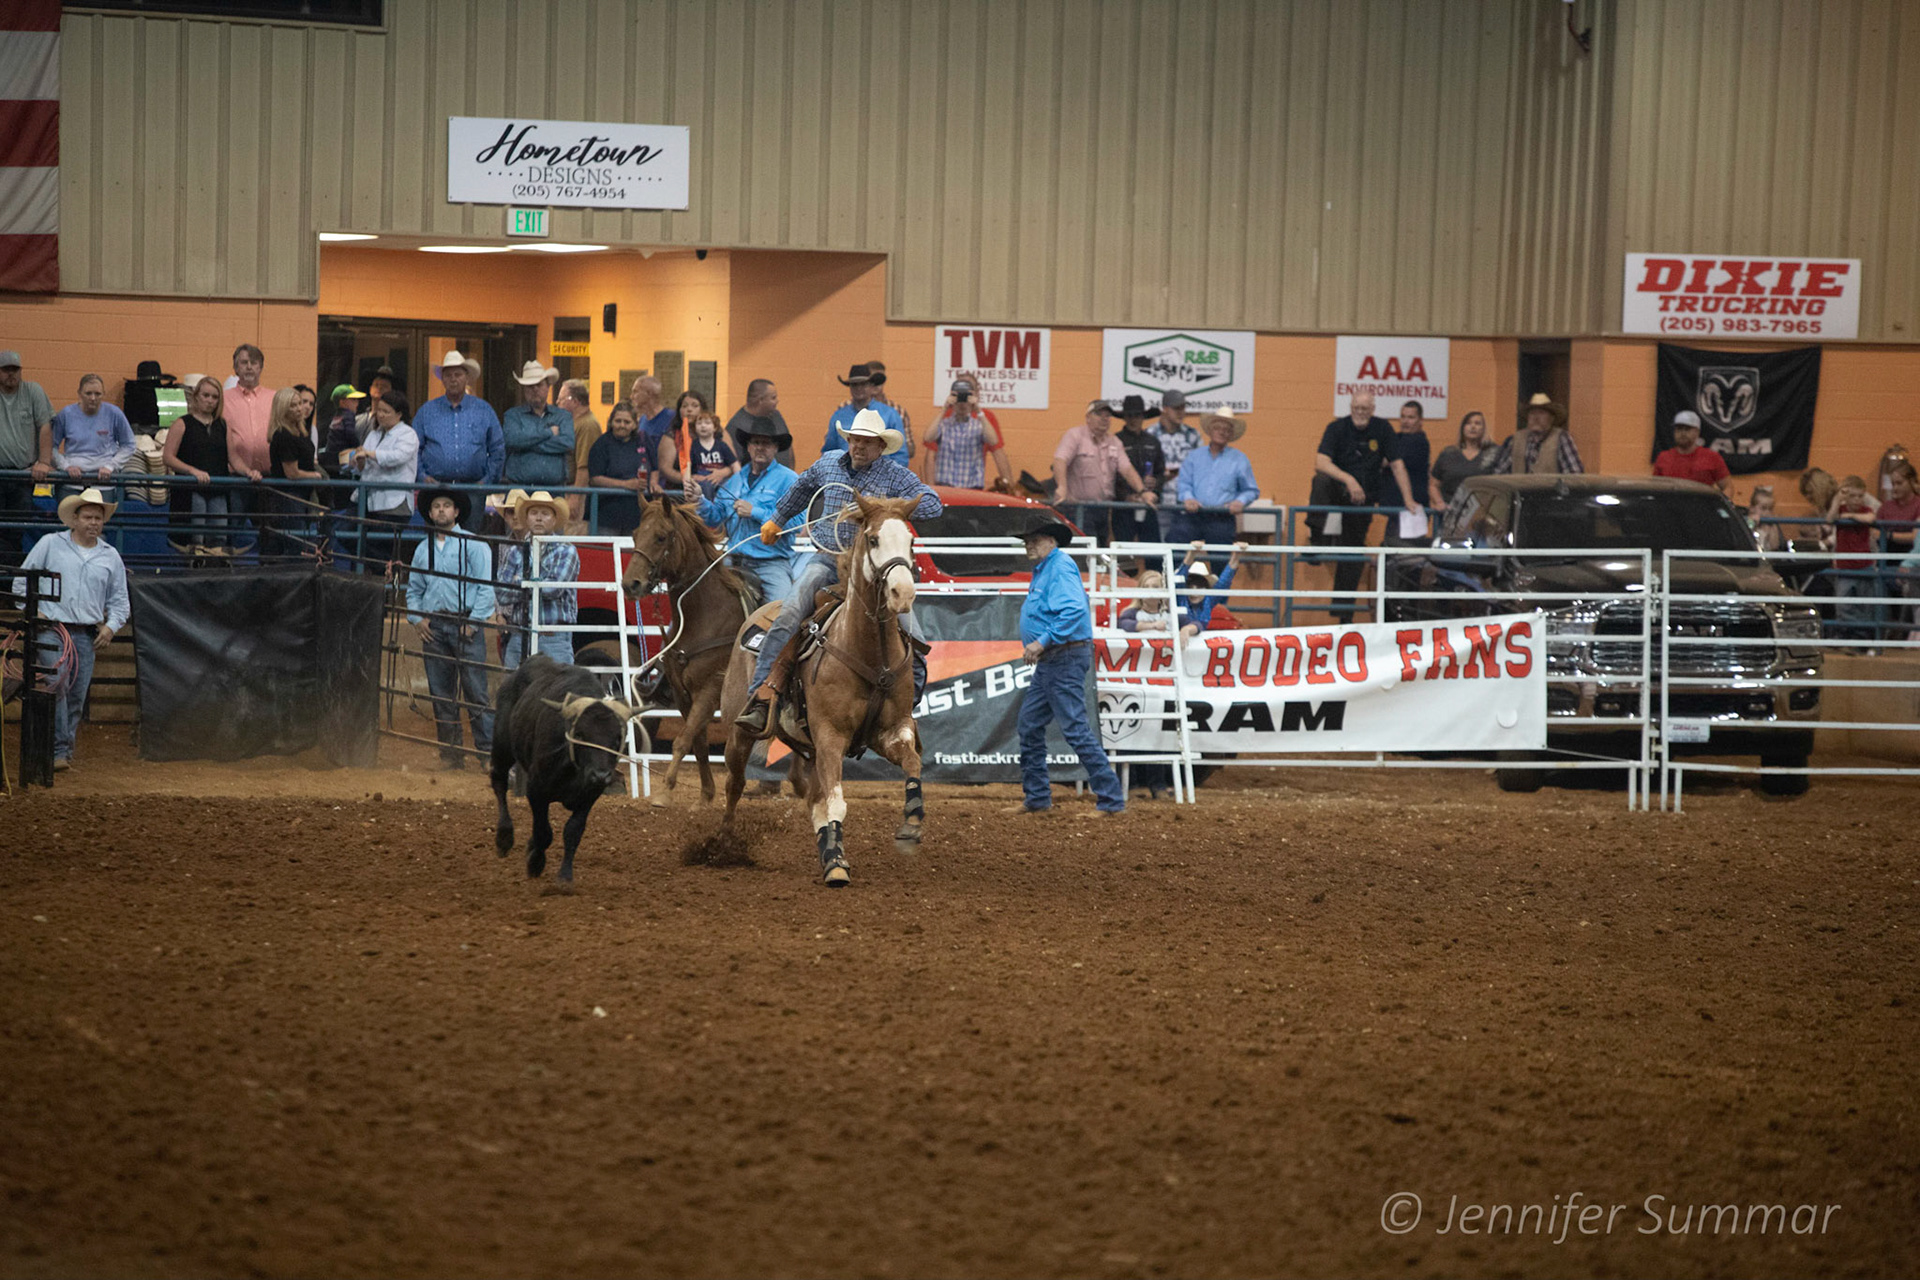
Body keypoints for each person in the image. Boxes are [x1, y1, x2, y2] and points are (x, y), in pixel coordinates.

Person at [735, 408, 942, 734]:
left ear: (880, 447)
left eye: (866, 441)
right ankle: (760, 697)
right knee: (790, 613)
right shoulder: (828, 463)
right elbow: (800, 491)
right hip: (828, 559)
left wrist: (885, 506)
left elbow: (932, 503)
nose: (858, 446)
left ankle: (906, 704)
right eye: (854, 439)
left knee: (913, 634)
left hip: (874, 571)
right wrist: (776, 519)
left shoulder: (894, 475)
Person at [1011, 518, 1126, 816]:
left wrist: (1042, 641)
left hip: (1061, 656)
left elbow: (1074, 610)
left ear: (1051, 541)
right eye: (1027, 539)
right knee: (1031, 724)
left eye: (1034, 539)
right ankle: (1038, 797)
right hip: (1057, 658)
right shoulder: (1051, 567)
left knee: (1072, 728)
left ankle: (1111, 800)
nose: (1028, 544)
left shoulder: (1057, 567)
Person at [10, 487, 130, 772]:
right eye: (88, 517)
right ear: (74, 519)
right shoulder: (50, 544)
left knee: (76, 694)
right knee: (59, 681)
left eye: (98, 518)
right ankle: (59, 750)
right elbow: (21, 582)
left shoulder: (110, 556)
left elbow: (120, 601)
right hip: (51, 628)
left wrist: (111, 627)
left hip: (86, 632)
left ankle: (63, 751)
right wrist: (34, 613)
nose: (93, 523)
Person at [406, 487, 497, 768]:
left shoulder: (474, 545)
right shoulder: (423, 549)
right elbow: (414, 590)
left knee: (476, 692)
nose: (442, 510)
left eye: (447, 505)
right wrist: (416, 618)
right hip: (435, 624)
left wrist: (473, 622)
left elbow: (485, 588)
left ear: (456, 512)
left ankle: (487, 754)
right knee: (441, 694)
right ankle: (452, 755)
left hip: (464, 622)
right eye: (436, 506)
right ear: (431, 513)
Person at [693, 414, 799, 605]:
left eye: (766, 443)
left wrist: (755, 512)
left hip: (770, 564)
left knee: (782, 610)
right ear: (748, 446)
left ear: (775, 448)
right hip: (733, 561)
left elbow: (797, 524)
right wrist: (699, 499)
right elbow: (715, 518)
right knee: (700, 600)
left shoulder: (789, 480)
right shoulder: (734, 480)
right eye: (756, 442)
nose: (760, 447)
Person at [1312, 392, 1395, 623]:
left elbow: (1397, 463)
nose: (1360, 412)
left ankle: (1344, 616)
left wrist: (1407, 500)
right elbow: (1320, 462)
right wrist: (1349, 480)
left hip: (1363, 501)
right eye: (1357, 407)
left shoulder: (1382, 429)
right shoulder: (1337, 428)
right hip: (1337, 496)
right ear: (1350, 407)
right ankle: (1316, 538)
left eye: (1365, 408)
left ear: (1372, 409)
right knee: (1320, 480)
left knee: (1352, 552)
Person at [414, 350, 504, 529]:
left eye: (458, 374)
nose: (453, 379)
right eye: (448, 375)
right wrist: (422, 477)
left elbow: (498, 448)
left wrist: (485, 481)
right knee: (435, 540)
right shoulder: (427, 411)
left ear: (467, 378)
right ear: (442, 379)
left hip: (473, 488)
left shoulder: (484, 410)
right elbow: (414, 448)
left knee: (470, 540)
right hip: (436, 489)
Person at [495, 490, 578, 667]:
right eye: (534, 513)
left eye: (545, 513)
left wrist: (520, 581)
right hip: (520, 636)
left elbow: (553, 589)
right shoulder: (514, 551)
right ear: (527, 519)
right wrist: (538, 582)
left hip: (553, 637)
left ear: (554, 520)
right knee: (515, 692)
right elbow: (501, 593)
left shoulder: (566, 550)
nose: (539, 518)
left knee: (555, 691)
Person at [1052, 400, 1154, 543]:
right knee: (1087, 552)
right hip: (1078, 508)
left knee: (1099, 551)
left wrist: (1143, 492)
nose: (1104, 418)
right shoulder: (1075, 436)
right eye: (1099, 414)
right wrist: (1062, 487)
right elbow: (1060, 460)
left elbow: (1126, 468)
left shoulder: (1114, 441)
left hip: (1103, 510)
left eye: (1107, 415)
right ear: (1088, 417)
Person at [160, 374, 235, 555]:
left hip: (218, 487)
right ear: (196, 397)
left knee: (219, 534)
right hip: (190, 489)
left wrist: (249, 471)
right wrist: (191, 470)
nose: (210, 401)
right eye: (206, 396)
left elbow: (233, 458)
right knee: (195, 536)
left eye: (214, 397)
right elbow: (168, 457)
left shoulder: (223, 426)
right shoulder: (182, 423)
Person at [350, 389, 419, 569]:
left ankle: (384, 584)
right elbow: (362, 467)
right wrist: (360, 460)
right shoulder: (374, 433)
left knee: (381, 547)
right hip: (368, 500)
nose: (380, 415)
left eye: (386, 412)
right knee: (347, 534)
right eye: (379, 410)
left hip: (394, 502)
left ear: (399, 414)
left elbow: (397, 457)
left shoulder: (408, 434)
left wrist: (370, 454)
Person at [0, 350, 55, 569]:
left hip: (22, 474)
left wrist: (44, 461)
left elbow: (44, 425)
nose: (11, 374)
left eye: (15, 369)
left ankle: (9, 583)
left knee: (15, 531)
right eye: (6, 370)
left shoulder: (33, 391)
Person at [1174, 411, 1259, 547]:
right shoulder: (1194, 456)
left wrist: (1239, 502)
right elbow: (1184, 483)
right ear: (1210, 431)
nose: (1222, 432)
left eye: (1226, 430)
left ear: (1231, 434)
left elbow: (1251, 490)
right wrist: (1188, 498)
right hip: (1194, 515)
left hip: (1222, 516)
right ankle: (1177, 569)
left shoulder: (1239, 459)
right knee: (1176, 539)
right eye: (1217, 428)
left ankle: (1220, 569)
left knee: (1221, 555)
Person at [48, 374, 136, 493]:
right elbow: (49, 447)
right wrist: (66, 466)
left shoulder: (114, 413)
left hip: (104, 484)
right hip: (71, 483)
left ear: (103, 394)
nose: (93, 398)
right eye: (88, 393)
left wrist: (111, 466)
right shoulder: (65, 414)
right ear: (79, 393)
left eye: (97, 394)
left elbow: (129, 445)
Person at [264, 386, 325, 557]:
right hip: (290, 495)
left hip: (301, 494)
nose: (300, 408)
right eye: (293, 405)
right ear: (282, 408)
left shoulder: (301, 431)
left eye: (300, 404)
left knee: (303, 541)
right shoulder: (284, 435)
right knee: (296, 543)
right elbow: (292, 473)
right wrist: (315, 476)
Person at [921, 378, 1012, 490]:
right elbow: (928, 438)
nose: (962, 403)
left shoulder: (980, 425)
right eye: (959, 396)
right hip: (945, 487)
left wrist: (978, 410)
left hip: (972, 488)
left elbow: (993, 441)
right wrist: (944, 408)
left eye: (967, 395)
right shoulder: (943, 424)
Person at [1826, 475, 1881, 647]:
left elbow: (1871, 519)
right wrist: (1837, 499)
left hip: (1864, 566)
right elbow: (1830, 519)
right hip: (1845, 567)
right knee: (1843, 605)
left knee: (1865, 604)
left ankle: (1861, 637)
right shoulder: (1839, 510)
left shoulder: (1864, 511)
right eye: (1852, 496)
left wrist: (1850, 516)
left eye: (1860, 496)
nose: (1857, 500)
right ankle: (1848, 632)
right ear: (1845, 496)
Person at [502, 361, 573, 487]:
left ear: (548, 387)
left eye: (539, 385)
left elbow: (567, 443)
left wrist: (526, 444)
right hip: (519, 489)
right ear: (524, 389)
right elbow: (512, 440)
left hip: (554, 489)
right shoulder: (512, 415)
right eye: (530, 386)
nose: (535, 389)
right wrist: (549, 432)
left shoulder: (563, 416)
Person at [585, 403, 652, 535]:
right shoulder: (601, 444)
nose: (622, 425)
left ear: (634, 424)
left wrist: (653, 483)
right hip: (607, 514)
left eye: (627, 422)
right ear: (611, 422)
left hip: (636, 513)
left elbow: (655, 467)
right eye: (618, 421)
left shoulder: (643, 441)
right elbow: (595, 479)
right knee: (605, 554)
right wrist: (626, 485)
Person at [823, 364, 909, 462]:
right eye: (854, 384)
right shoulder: (838, 416)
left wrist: (889, 475)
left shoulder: (890, 414)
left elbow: (901, 456)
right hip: (844, 473)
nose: (859, 388)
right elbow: (829, 452)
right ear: (850, 387)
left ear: (871, 386)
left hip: (880, 473)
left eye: (863, 384)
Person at [1112, 395, 1166, 545]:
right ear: (1124, 417)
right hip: (1123, 508)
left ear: (1143, 417)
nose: (1133, 419)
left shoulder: (1152, 441)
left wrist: (1155, 488)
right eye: (1129, 415)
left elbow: (1161, 472)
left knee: (1153, 552)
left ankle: (1153, 570)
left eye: (1137, 415)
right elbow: (1110, 475)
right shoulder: (1115, 441)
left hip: (1148, 505)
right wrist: (1125, 496)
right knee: (1124, 554)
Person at [1487, 392, 1584, 475]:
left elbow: (1575, 473)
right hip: (1519, 495)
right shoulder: (1516, 439)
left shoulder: (1561, 438)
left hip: (1550, 495)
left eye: (1541, 413)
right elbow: (1499, 473)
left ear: (1551, 418)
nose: (1536, 417)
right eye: (1532, 413)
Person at [1152, 390, 1202, 540]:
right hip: (1158, 502)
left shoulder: (1193, 435)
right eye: (1176, 408)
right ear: (1165, 409)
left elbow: (1201, 468)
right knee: (1159, 549)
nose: (1181, 412)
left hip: (1185, 504)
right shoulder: (1151, 434)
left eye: (1183, 408)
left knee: (1180, 548)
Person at [1383, 400, 1432, 542]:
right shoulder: (1397, 438)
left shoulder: (1418, 442)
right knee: (1391, 550)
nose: (1406, 421)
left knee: (1405, 554)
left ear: (1420, 420)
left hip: (1412, 510)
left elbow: (1388, 460)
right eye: (1403, 417)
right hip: (1397, 508)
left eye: (1411, 417)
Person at [1176, 542, 1247, 638]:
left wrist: (1236, 555)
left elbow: (1224, 581)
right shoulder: (1180, 596)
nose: (1194, 591)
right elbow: (1180, 577)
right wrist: (1191, 553)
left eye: (1200, 586)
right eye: (1190, 586)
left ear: (1206, 588)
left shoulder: (1208, 600)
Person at [1652, 410, 1731, 493]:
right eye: (1679, 429)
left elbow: (1727, 487)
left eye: (1687, 429)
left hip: (1701, 505)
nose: (1682, 433)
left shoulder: (1712, 457)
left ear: (1697, 432)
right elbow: (1655, 489)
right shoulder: (1663, 457)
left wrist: (1719, 505)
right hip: (1670, 505)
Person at [653, 389, 713, 494]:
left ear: (703, 409)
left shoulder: (716, 432)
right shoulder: (672, 435)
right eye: (684, 406)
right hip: (679, 491)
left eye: (695, 406)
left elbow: (732, 462)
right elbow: (665, 468)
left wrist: (721, 473)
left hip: (712, 487)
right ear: (679, 410)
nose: (689, 409)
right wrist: (689, 479)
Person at [726, 378, 795, 469]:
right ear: (761, 400)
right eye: (773, 398)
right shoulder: (737, 426)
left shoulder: (776, 415)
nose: (777, 401)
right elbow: (734, 463)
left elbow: (788, 449)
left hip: (785, 479)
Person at [1430, 409, 1494, 506]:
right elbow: (1433, 485)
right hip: (1451, 511)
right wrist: (1439, 503)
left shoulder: (1493, 454)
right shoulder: (1448, 454)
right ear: (1463, 428)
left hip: (1481, 512)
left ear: (1484, 428)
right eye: (1468, 423)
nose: (1473, 427)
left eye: (1477, 423)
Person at [559, 378, 601, 522]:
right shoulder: (574, 423)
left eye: (561, 400)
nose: (557, 404)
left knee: (574, 534)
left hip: (577, 492)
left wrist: (576, 498)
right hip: (568, 489)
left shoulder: (587, 425)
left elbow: (584, 466)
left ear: (574, 401)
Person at [863, 360, 914, 461]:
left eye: (879, 379)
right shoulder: (846, 407)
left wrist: (890, 441)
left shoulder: (898, 411)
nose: (875, 384)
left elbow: (910, 451)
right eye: (871, 379)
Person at [1746, 485, 1784, 553]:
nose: (1767, 512)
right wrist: (1752, 524)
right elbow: (1746, 538)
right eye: (1763, 508)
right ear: (1752, 508)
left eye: (1770, 509)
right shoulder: (1748, 521)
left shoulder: (1770, 525)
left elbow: (1774, 546)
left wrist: (1773, 525)